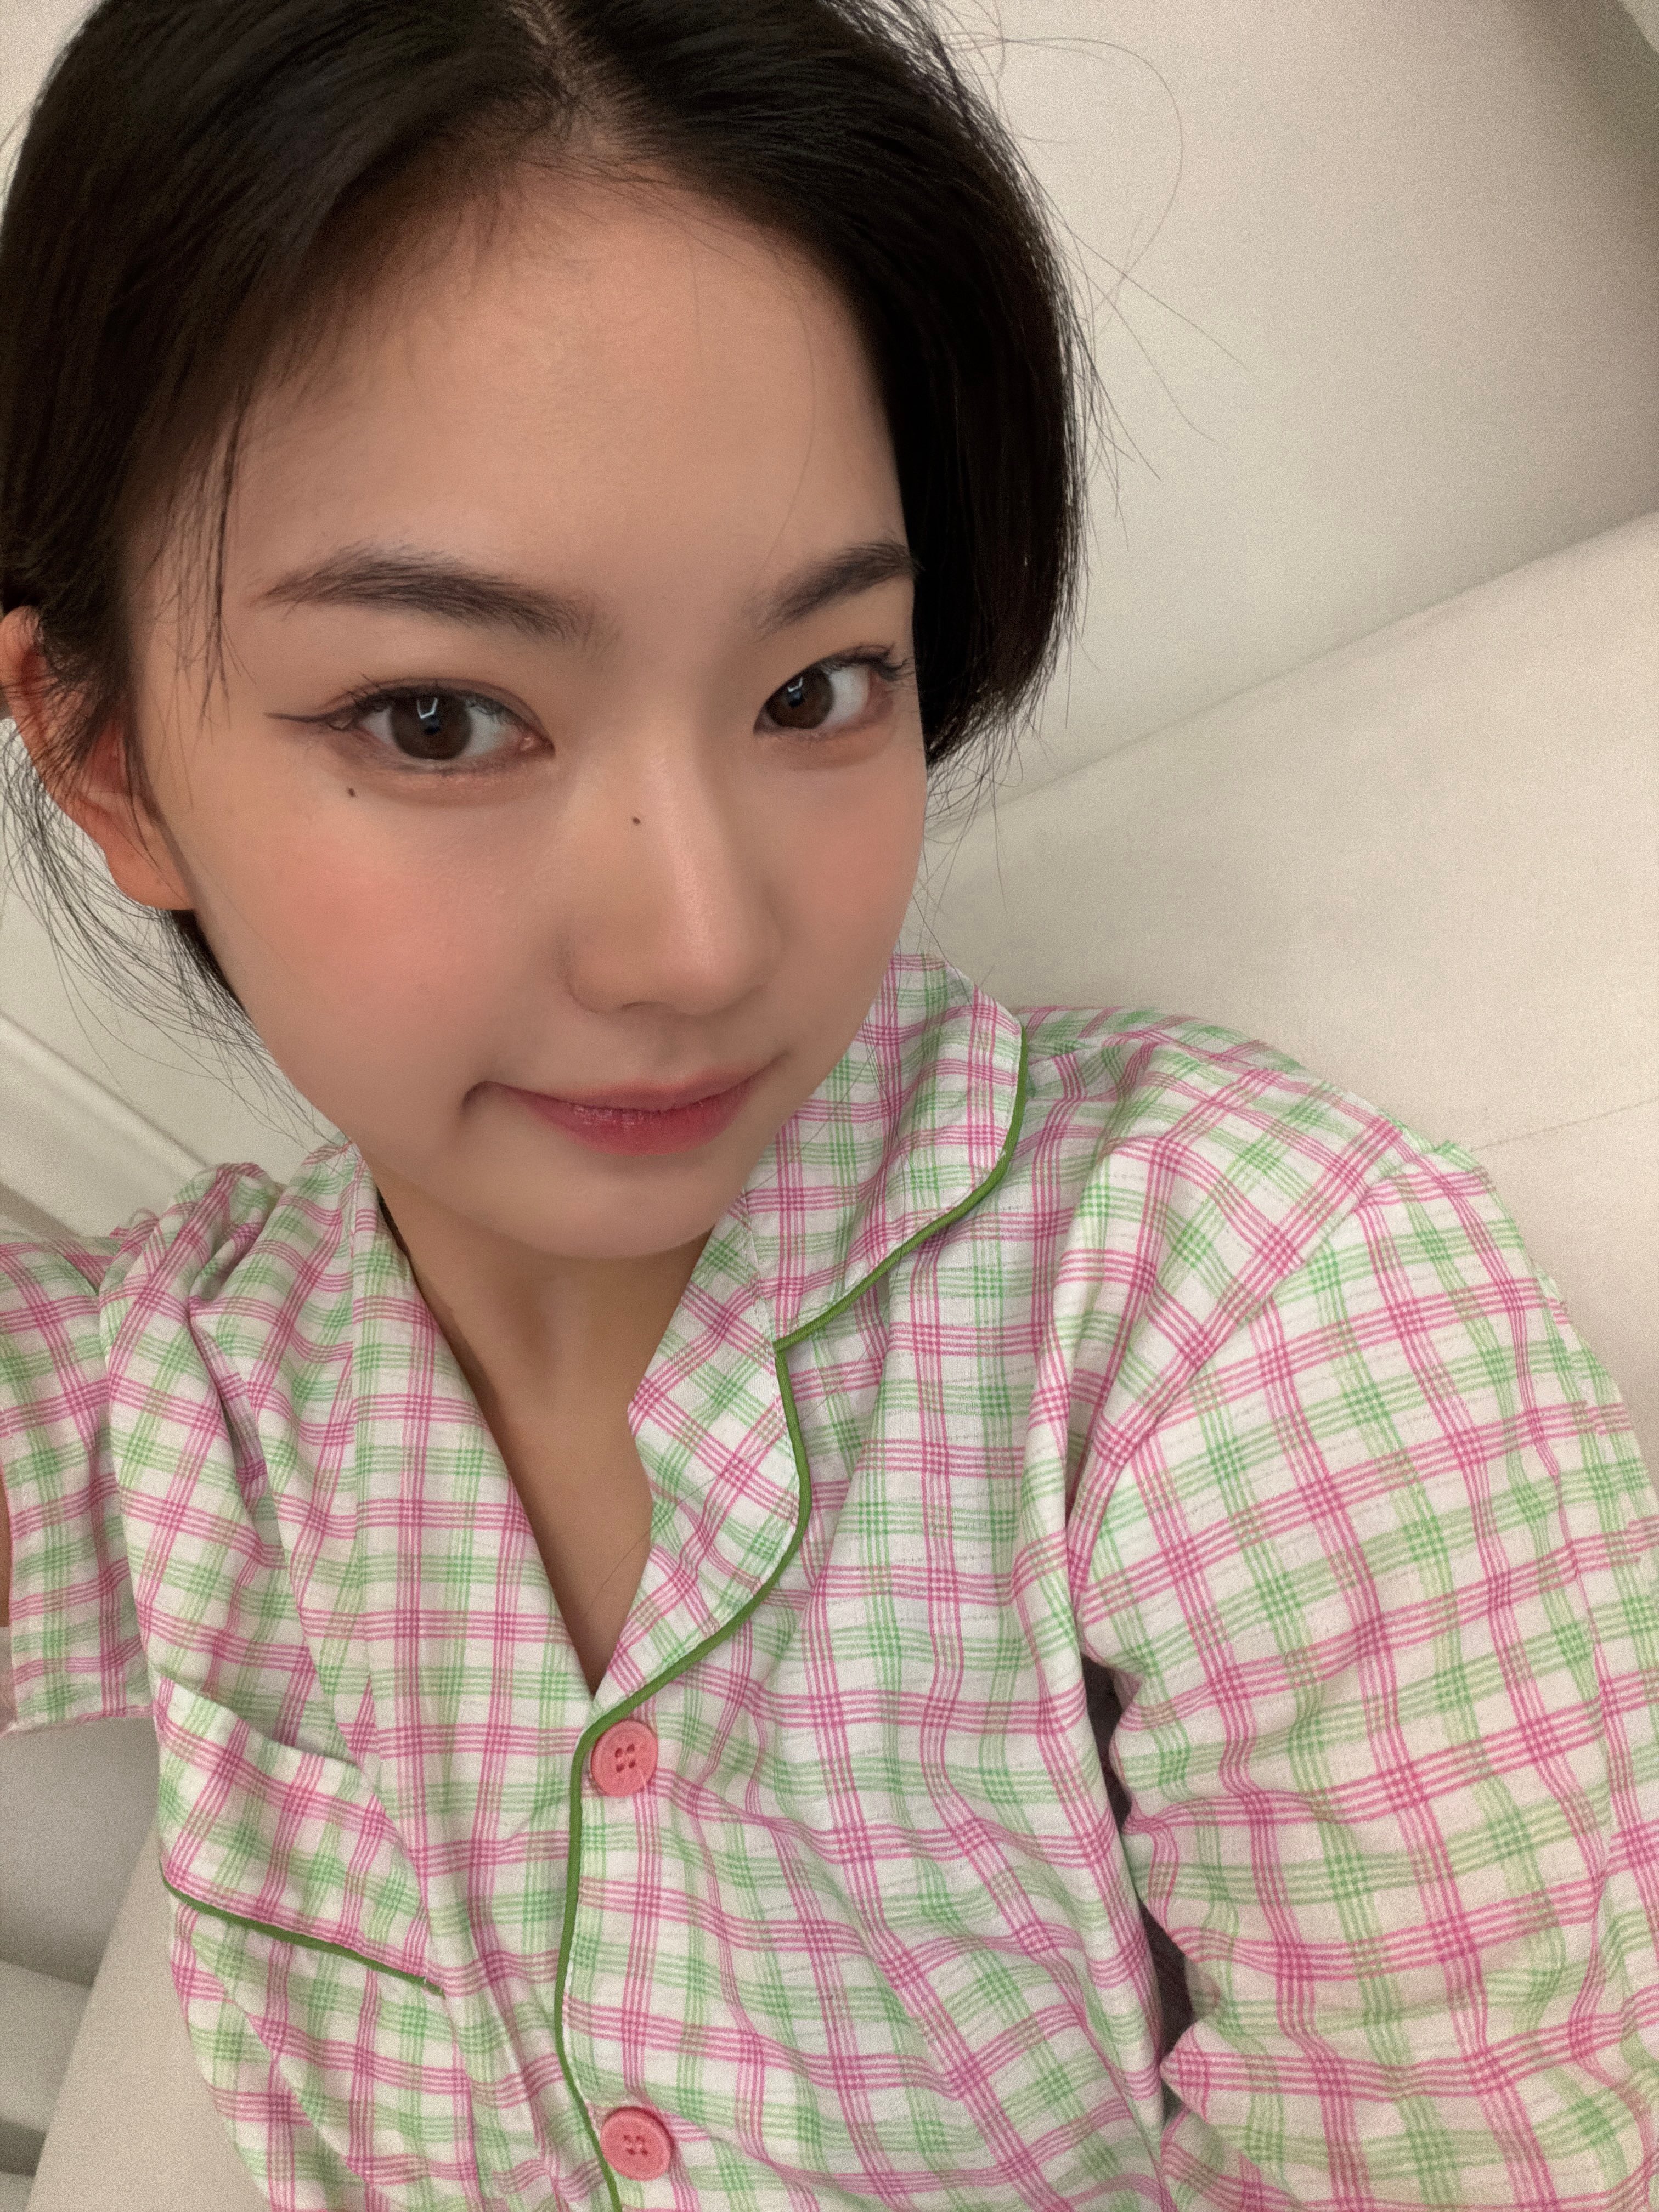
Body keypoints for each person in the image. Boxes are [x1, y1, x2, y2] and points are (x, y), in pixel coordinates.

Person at [1, 2, 1656, 2206]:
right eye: (437, 718)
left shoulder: (1258, 1345)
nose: (697, 942)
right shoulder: (169, 1399)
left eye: (816, 687)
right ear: (109, 762)